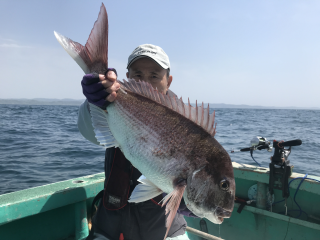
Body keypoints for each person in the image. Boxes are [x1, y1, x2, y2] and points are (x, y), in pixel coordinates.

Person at [78, 44, 195, 240]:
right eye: (138, 75)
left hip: (166, 232)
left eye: (154, 76)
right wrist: (95, 100)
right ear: (127, 77)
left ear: (169, 81)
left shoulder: (185, 124)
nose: (146, 83)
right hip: (109, 229)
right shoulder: (113, 104)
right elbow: (89, 131)